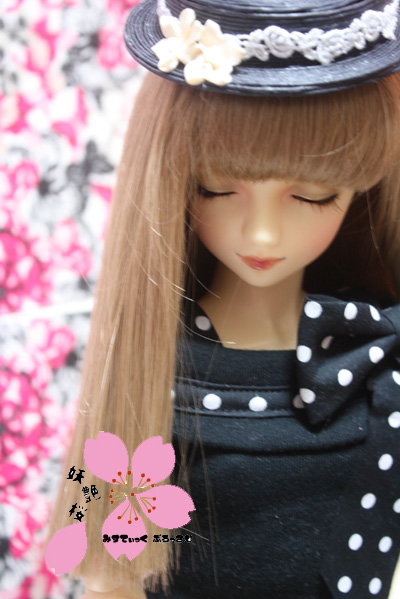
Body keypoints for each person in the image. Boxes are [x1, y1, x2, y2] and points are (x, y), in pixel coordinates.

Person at [47, 0, 400, 597]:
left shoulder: (377, 343)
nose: (261, 235)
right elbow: (109, 573)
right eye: (215, 187)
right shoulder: (149, 374)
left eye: (314, 195)